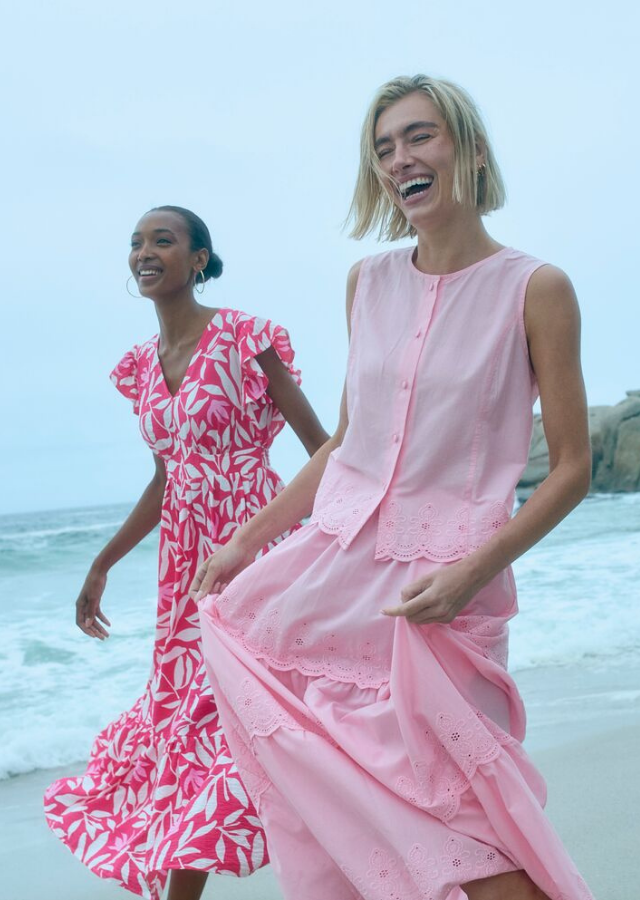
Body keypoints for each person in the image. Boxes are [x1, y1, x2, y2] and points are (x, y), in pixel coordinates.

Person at [193, 75, 594, 900]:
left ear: (469, 150)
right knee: (354, 822)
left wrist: (469, 575)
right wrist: (243, 542)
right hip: (330, 583)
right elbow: (347, 444)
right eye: (383, 148)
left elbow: (570, 468)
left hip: (442, 597)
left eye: (419, 137)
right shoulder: (365, 284)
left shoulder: (536, 288)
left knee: (470, 825)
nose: (399, 159)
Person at [44, 205, 329, 900]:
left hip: (256, 549)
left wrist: (335, 542)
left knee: (243, 717)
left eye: (162, 241)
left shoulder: (243, 336)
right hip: (184, 568)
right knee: (188, 728)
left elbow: (323, 449)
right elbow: (169, 477)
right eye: (137, 243)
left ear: (198, 258)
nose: (145, 252)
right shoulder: (140, 368)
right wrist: (103, 561)